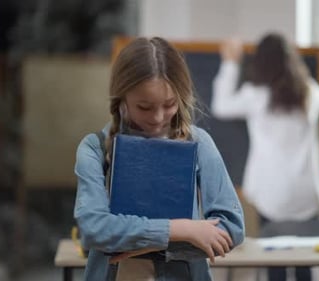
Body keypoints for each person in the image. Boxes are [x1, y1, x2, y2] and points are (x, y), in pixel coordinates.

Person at [74, 37, 245, 281]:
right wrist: (180, 230)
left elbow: (232, 228)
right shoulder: (95, 148)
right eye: (144, 107)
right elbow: (93, 229)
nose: (157, 117)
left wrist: (139, 242)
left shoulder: (199, 142)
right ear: (121, 100)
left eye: (169, 104)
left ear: (181, 97)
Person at [212, 33, 319, 281]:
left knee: (274, 261)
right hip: (307, 195)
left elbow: (220, 105)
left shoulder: (256, 95)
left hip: (271, 194)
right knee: (304, 263)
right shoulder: (309, 93)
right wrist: (303, 79)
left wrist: (231, 62)